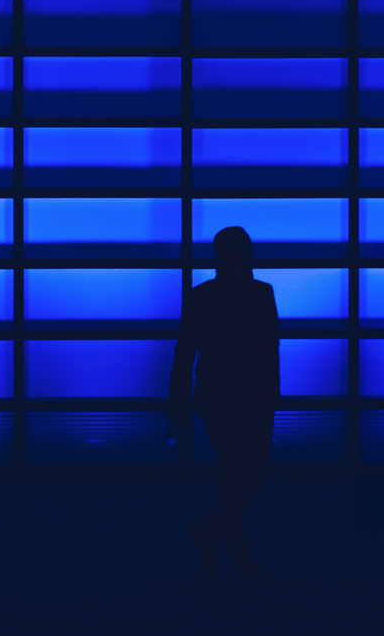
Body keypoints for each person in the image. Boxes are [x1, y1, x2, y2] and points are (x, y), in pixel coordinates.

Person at [167, 226, 280, 580]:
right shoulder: (262, 293)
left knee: (230, 474)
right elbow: (269, 351)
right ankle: (227, 545)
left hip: (216, 396)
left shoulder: (202, 295)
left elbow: (185, 354)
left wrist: (179, 409)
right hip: (254, 396)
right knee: (253, 473)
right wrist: (273, 396)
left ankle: (221, 540)